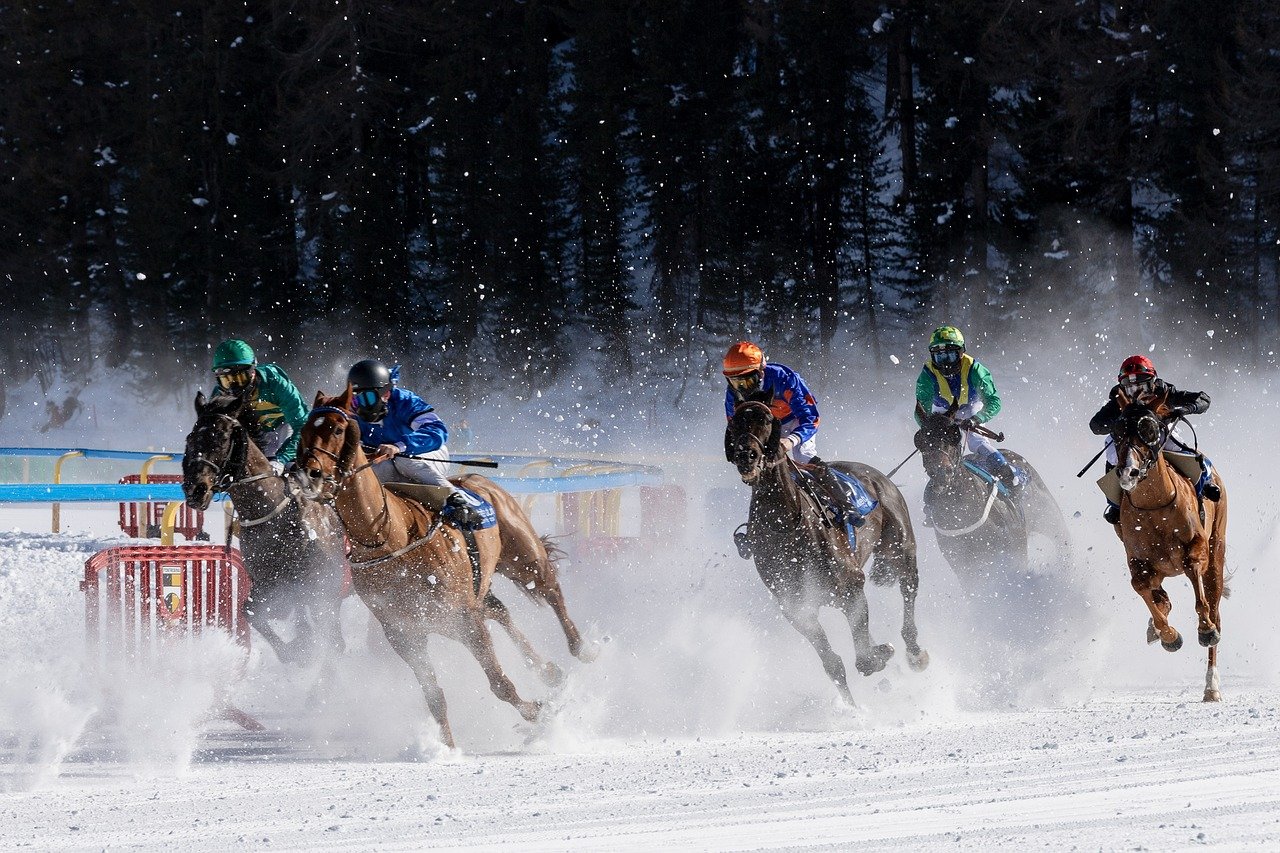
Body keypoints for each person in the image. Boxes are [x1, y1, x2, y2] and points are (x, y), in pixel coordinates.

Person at [722, 341, 874, 535]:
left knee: (803, 456)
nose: (743, 388)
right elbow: (734, 426)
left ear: (761, 371)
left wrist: (790, 440)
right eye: (736, 382)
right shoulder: (732, 394)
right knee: (762, 468)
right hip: (763, 430)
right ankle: (753, 531)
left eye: (748, 380)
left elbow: (811, 418)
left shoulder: (784, 378)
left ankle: (846, 506)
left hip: (793, 421)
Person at [345, 359, 482, 528]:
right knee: (372, 470)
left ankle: (455, 500)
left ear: (385, 394)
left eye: (367, 398)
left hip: (425, 454)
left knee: (405, 461)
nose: (358, 406)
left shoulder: (405, 401)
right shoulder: (352, 413)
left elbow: (438, 431)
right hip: (388, 463)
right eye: (355, 400)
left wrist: (400, 446)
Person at [1088, 354, 1218, 524]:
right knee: (1112, 455)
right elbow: (1095, 425)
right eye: (1130, 386)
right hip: (1130, 440)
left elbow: (1203, 399)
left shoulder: (1164, 391)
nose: (1135, 392)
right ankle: (1115, 504)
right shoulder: (1118, 399)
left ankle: (1205, 483)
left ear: (1152, 382)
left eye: (1141, 385)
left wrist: (1185, 409)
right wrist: (1118, 422)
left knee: (1177, 447)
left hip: (1158, 433)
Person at [914, 325, 1024, 497]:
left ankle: (1010, 475)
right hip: (941, 412)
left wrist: (977, 419)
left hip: (970, 408)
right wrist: (931, 428)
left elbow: (994, 401)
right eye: (939, 356)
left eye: (950, 356)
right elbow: (920, 409)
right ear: (932, 356)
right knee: (938, 451)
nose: (945, 363)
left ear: (961, 352)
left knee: (976, 442)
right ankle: (933, 495)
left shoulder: (976, 370)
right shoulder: (927, 374)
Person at [211, 339, 308, 472]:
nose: (234, 388)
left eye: (240, 378)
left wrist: (282, 459)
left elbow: (302, 425)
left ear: (252, 371)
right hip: (254, 432)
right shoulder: (219, 395)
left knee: (296, 468)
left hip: (285, 426)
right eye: (226, 380)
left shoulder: (275, 383)